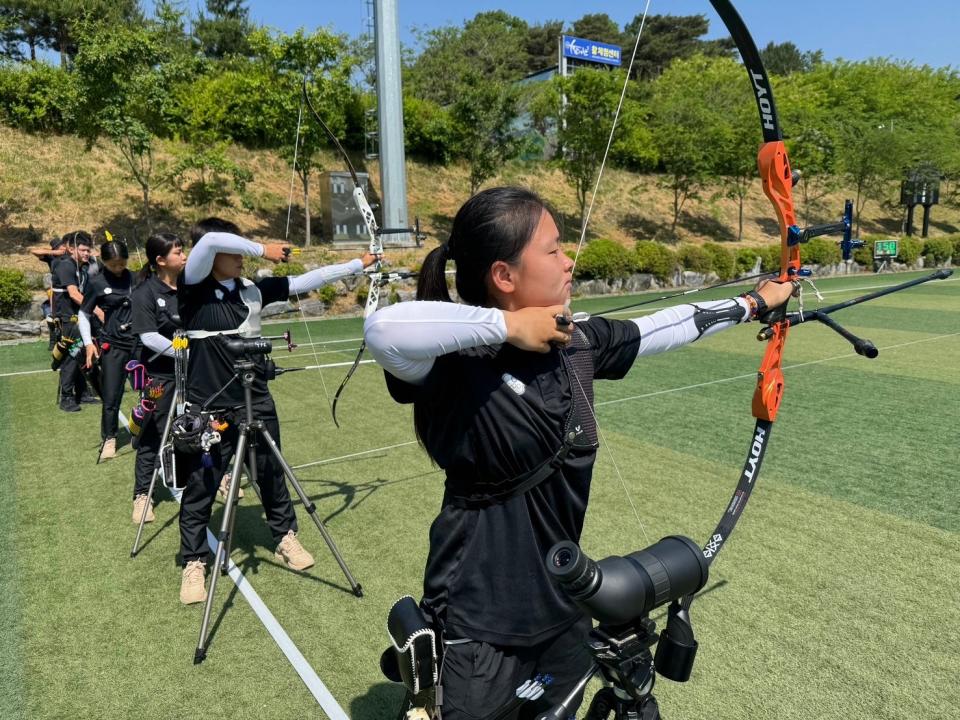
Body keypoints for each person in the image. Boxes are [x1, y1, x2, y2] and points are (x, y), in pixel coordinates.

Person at [363, 187, 795, 720]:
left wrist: (754, 303)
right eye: (552, 250)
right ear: (504, 276)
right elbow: (382, 329)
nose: (569, 262)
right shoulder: (452, 360)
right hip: (476, 618)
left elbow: (666, 325)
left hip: (564, 601)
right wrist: (510, 325)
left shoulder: (577, 343)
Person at [174, 218, 378, 605]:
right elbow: (213, 238)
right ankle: (194, 561)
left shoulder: (252, 290)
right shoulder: (194, 287)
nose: (241, 258)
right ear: (214, 254)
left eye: (242, 252)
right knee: (202, 483)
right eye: (234, 252)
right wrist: (260, 247)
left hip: (255, 398)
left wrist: (358, 264)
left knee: (270, 471)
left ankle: (285, 536)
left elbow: (307, 281)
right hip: (209, 404)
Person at [129, 232, 187, 524]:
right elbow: (148, 336)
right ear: (161, 260)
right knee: (152, 433)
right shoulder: (144, 293)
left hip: (191, 375)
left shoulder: (191, 286)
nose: (184, 256)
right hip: (157, 377)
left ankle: (221, 478)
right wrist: (183, 353)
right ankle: (143, 495)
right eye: (178, 252)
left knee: (202, 427)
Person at [78, 240, 136, 460]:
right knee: (111, 395)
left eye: (123, 263)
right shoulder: (96, 282)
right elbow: (84, 313)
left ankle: (146, 431)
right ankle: (109, 438)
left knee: (152, 392)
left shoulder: (137, 279)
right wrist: (88, 343)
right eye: (114, 265)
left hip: (140, 344)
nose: (119, 268)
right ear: (104, 261)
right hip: (114, 345)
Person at [51, 231, 96, 412]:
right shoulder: (65, 266)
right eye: (83, 250)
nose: (87, 253)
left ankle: (82, 392)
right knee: (71, 355)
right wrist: (97, 310)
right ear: (71, 249)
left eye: (88, 250)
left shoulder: (82, 267)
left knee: (80, 354)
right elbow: (74, 294)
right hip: (68, 319)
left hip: (79, 318)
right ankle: (66, 397)